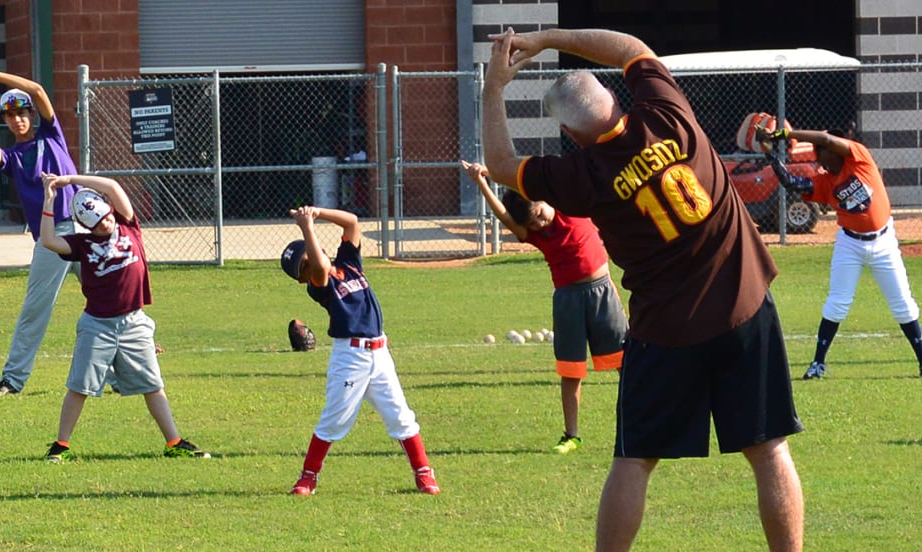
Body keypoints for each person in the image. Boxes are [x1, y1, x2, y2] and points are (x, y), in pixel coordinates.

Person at [479, 28, 801, 551]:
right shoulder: (665, 111)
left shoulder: (582, 174)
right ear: (614, 98)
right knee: (769, 452)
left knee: (634, 460)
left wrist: (494, 88)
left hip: (667, 331)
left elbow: (499, 164)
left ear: (571, 134)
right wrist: (546, 38)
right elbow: (630, 46)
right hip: (744, 304)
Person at [34, 174, 209, 462]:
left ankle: (174, 442)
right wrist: (49, 199)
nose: (106, 221)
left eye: (106, 214)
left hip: (134, 321)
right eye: (98, 221)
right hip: (97, 325)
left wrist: (70, 179)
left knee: (153, 384)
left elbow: (113, 187)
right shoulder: (82, 244)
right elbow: (50, 240)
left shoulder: (129, 225)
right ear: (87, 225)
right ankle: (60, 445)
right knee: (80, 387)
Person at [466, 162, 627, 454]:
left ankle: (640, 425)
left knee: (625, 363)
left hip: (602, 293)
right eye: (533, 224)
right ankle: (572, 436)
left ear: (544, 199)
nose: (540, 224)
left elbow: (540, 173)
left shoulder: (573, 207)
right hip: (568, 300)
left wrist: (501, 172)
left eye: (539, 215)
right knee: (571, 370)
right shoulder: (537, 235)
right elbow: (503, 215)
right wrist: (482, 184)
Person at [277, 206, 439, 496]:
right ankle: (308, 478)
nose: (308, 266)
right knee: (334, 419)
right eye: (302, 269)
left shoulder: (349, 262)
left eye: (306, 259)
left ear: (322, 248)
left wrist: (317, 213)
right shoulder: (319, 284)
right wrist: (307, 229)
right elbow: (320, 267)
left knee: (400, 416)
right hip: (350, 357)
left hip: (380, 353)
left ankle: (424, 473)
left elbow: (351, 222)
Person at [746, 119, 922, 380]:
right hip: (850, 244)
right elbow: (793, 183)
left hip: (884, 243)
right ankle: (818, 363)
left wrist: (786, 134)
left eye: (821, 152)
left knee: (903, 305)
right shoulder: (826, 181)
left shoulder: (858, 157)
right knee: (837, 304)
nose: (820, 158)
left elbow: (826, 139)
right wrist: (771, 154)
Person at [0, 63, 83, 397]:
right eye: (10, 115)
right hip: (51, 236)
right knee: (35, 310)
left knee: (110, 300)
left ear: (31, 114)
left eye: (22, 112)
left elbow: (39, 91)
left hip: (85, 227)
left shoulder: (51, 135)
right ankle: (12, 380)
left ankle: (125, 374)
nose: (18, 119)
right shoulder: (13, 157)